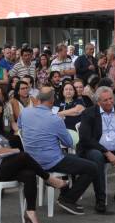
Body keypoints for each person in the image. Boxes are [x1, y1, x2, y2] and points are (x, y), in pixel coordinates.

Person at [0, 98, 68, 223]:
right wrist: (15, 151)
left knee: (29, 174)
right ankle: (49, 179)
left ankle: (31, 213)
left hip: (1, 166)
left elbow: (3, 150)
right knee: (23, 155)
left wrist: (11, 151)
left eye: (0, 114)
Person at [19, 86, 99, 215]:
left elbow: (20, 129)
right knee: (91, 167)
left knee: (76, 161)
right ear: (52, 102)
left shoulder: (25, 112)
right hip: (51, 160)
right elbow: (69, 143)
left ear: (38, 99)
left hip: (31, 159)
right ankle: (68, 199)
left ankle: (65, 191)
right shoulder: (55, 119)